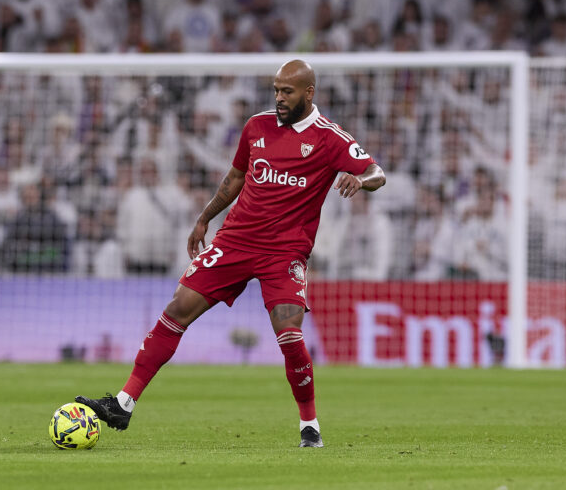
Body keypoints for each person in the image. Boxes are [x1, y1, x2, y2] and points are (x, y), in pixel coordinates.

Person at [76, 60, 386, 448]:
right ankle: (124, 402)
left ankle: (310, 425)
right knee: (178, 307)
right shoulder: (256, 126)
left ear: (309, 93)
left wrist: (360, 179)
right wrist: (204, 218)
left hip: (284, 253)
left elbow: (378, 172)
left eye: (286, 92)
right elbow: (235, 178)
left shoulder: (330, 138)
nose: (278, 98)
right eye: (275, 90)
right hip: (235, 241)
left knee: (289, 335)